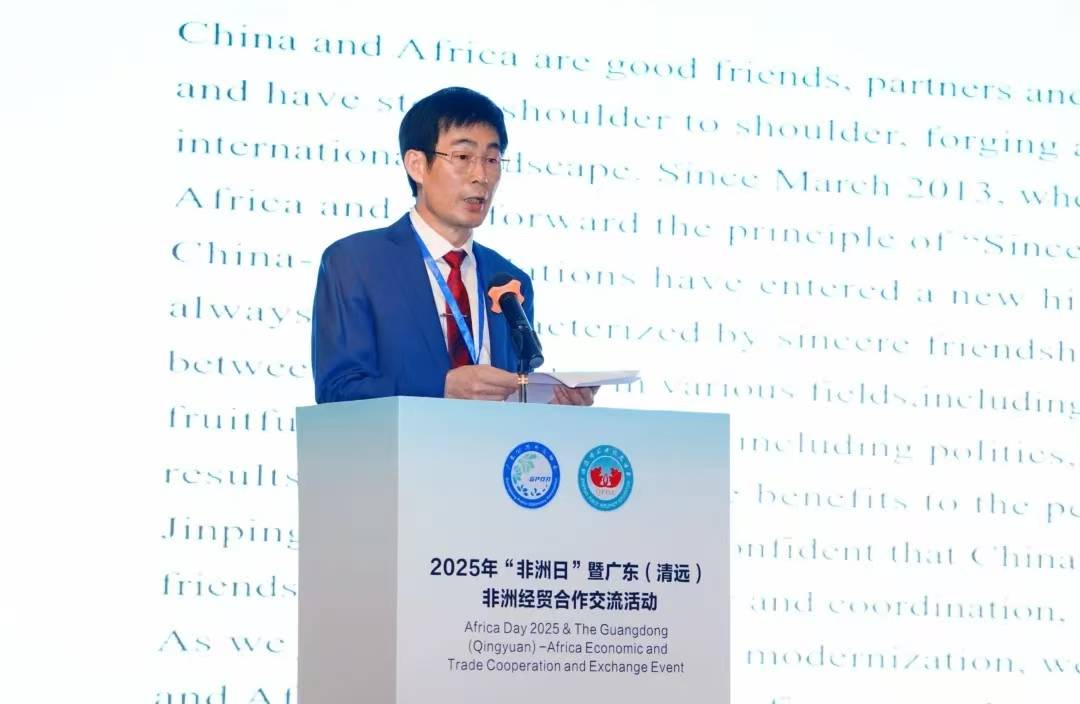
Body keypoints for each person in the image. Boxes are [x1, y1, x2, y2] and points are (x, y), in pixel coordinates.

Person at [312, 86, 595, 405]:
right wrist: (441, 387)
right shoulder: (356, 263)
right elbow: (337, 390)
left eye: (492, 159)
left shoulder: (509, 280)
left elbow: (515, 400)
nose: (481, 176)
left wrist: (551, 406)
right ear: (417, 165)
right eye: (462, 157)